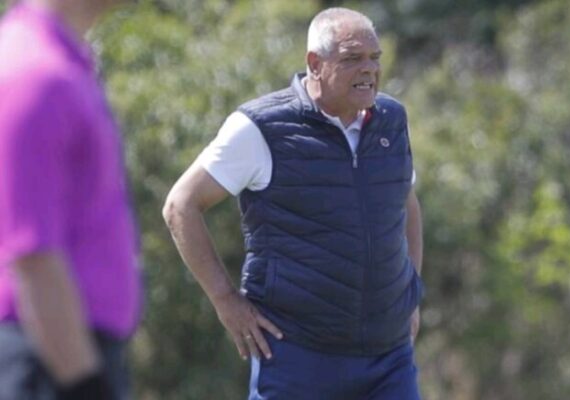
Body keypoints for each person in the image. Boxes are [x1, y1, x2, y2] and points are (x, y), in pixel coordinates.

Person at [163, 7, 424, 400]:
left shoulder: (391, 119)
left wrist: (410, 295)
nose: (369, 69)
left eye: (375, 57)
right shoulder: (261, 127)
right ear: (315, 64)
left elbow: (405, 205)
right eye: (352, 58)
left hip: (389, 358)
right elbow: (180, 205)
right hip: (297, 354)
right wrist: (225, 300)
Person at [0, 1, 142, 399]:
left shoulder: (63, 64)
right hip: (49, 357)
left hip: (64, 350)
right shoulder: (37, 75)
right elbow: (32, 255)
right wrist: (83, 384)